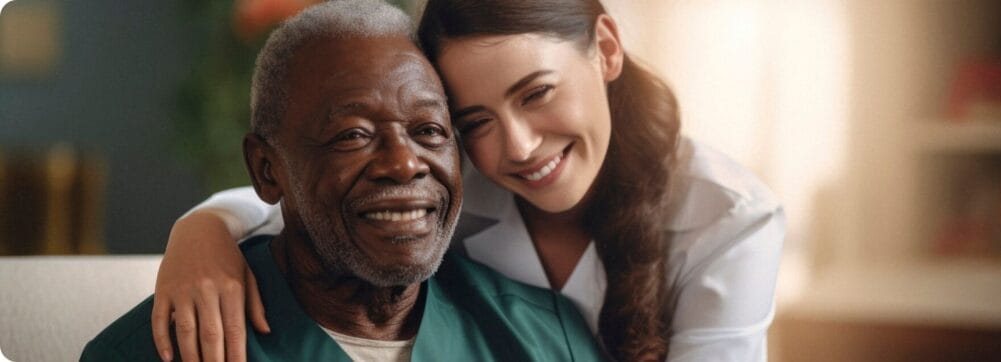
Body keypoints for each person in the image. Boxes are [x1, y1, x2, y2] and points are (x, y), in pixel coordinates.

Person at [156, 0, 786, 361]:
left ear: (606, 48)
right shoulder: (449, 183)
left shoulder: (730, 219)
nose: (519, 147)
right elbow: (312, 199)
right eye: (473, 121)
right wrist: (201, 230)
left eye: (537, 93)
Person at [82, 2, 604, 361]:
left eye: (428, 130)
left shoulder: (547, 339)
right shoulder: (149, 352)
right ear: (267, 169)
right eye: (353, 135)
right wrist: (200, 226)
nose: (404, 164)